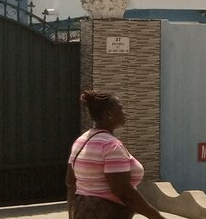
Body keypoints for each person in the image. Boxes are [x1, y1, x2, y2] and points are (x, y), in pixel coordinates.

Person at [66, 90, 165, 219]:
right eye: (121, 109)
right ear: (109, 114)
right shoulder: (111, 146)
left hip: (83, 213)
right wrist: (157, 217)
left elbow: (70, 182)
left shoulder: (81, 141)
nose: (125, 113)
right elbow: (123, 192)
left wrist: (72, 213)